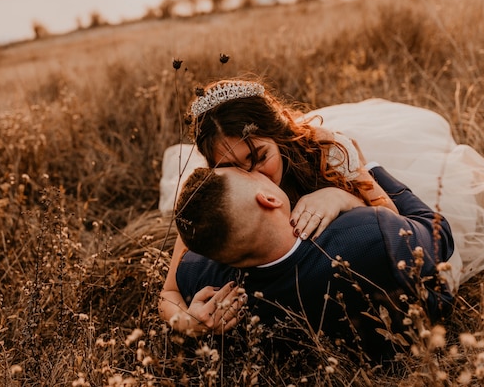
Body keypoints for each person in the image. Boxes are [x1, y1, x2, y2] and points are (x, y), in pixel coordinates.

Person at [159, 79, 404, 334]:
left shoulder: (324, 152)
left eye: (260, 157)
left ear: (278, 134)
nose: (255, 178)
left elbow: (393, 220)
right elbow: (169, 292)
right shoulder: (220, 192)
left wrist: (340, 197)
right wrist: (186, 321)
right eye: (231, 168)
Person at [173, 165, 455, 360]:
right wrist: (368, 174)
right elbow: (440, 236)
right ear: (269, 198)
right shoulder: (371, 233)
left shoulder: (199, 280)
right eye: (249, 173)